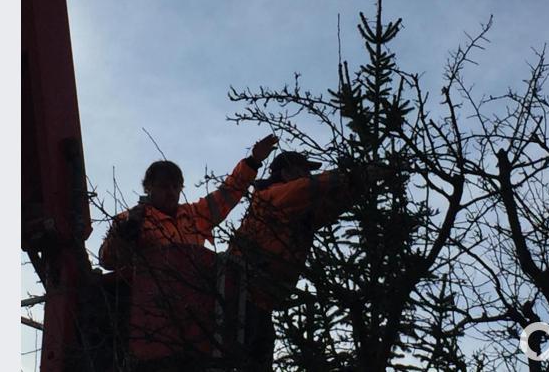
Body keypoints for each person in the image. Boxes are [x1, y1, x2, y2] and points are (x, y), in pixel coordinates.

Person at [98, 134, 278, 370]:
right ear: (148, 187)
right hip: (155, 326)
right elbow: (107, 260)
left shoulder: (195, 215)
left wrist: (253, 161)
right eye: (164, 186)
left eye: (176, 186)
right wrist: (126, 231)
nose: (171, 192)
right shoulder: (132, 219)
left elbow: (228, 194)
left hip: (198, 324)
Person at [228, 151, 388, 370]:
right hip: (242, 293)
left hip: (262, 299)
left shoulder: (298, 210)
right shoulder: (270, 197)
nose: (306, 175)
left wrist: (358, 183)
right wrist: (344, 175)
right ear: (286, 173)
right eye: (302, 170)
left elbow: (330, 207)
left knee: (258, 357)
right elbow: (306, 188)